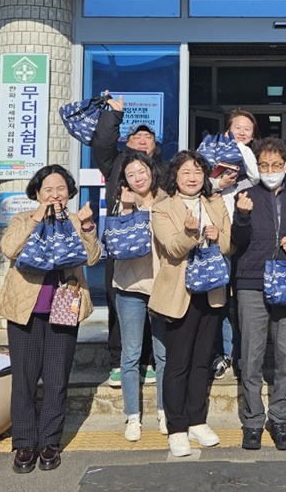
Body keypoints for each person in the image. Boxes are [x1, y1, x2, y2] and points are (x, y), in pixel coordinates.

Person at [0, 164, 102, 474]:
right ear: (37, 193)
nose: (55, 194)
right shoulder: (23, 218)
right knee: (24, 379)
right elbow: (9, 248)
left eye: (61, 189)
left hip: (65, 306)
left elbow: (92, 258)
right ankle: (24, 442)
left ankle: (50, 442)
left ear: (69, 193)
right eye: (48, 190)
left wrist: (88, 227)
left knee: (56, 379)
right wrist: (37, 218)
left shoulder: (75, 220)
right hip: (25, 310)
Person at [148, 150, 233, 457]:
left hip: (211, 290)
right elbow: (171, 248)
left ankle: (197, 421)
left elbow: (229, 245)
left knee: (201, 361)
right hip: (179, 293)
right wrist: (189, 232)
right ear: (175, 176)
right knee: (178, 362)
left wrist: (218, 235)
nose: (192, 177)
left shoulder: (215, 202)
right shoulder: (162, 207)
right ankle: (177, 427)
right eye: (186, 172)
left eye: (198, 172)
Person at [232, 137, 286, 451]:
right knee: (251, 357)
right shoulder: (245, 196)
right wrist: (242, 216)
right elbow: (237, 241)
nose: (270, 171)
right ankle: (253, 421)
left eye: (276, 165)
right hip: (251, 283)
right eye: (264, 165)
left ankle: (280, 419)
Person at [91, 91, 165, 388]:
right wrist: (114, 116)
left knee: (153, 304)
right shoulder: (116, 165)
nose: (143, 140)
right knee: (118, 303)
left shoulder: (163, 170)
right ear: (128, 141)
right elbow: (102, 144)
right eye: (137, 136)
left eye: (148, 137)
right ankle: (118, 360)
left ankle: (148, 360)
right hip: (121, 247)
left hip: (155, 251)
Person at [111, 152, 169, 441]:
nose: (138, 177)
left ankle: (164, 411)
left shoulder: (167, 199)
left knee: (164, 354)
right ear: (125, 180)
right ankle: (132, 416)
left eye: (141, 171)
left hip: (162, 286)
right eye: (131, 174)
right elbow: (118, 243)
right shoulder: (121, 202)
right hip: (130, 287)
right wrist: (126, 210)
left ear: (151, 171)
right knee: (131, 354)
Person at [210, 109, 261, 380]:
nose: (242, 132)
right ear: (227, 130)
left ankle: (240, 355)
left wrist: (239, 148)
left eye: (247, 129)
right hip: (216, 241)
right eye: (237, 128)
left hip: (242, 242)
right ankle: (221, 354)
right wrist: (217, 183)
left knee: (241, 303)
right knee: (218, 302)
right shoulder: (211, 154)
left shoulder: (247, 162)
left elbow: (256, 175)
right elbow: (197, 185)